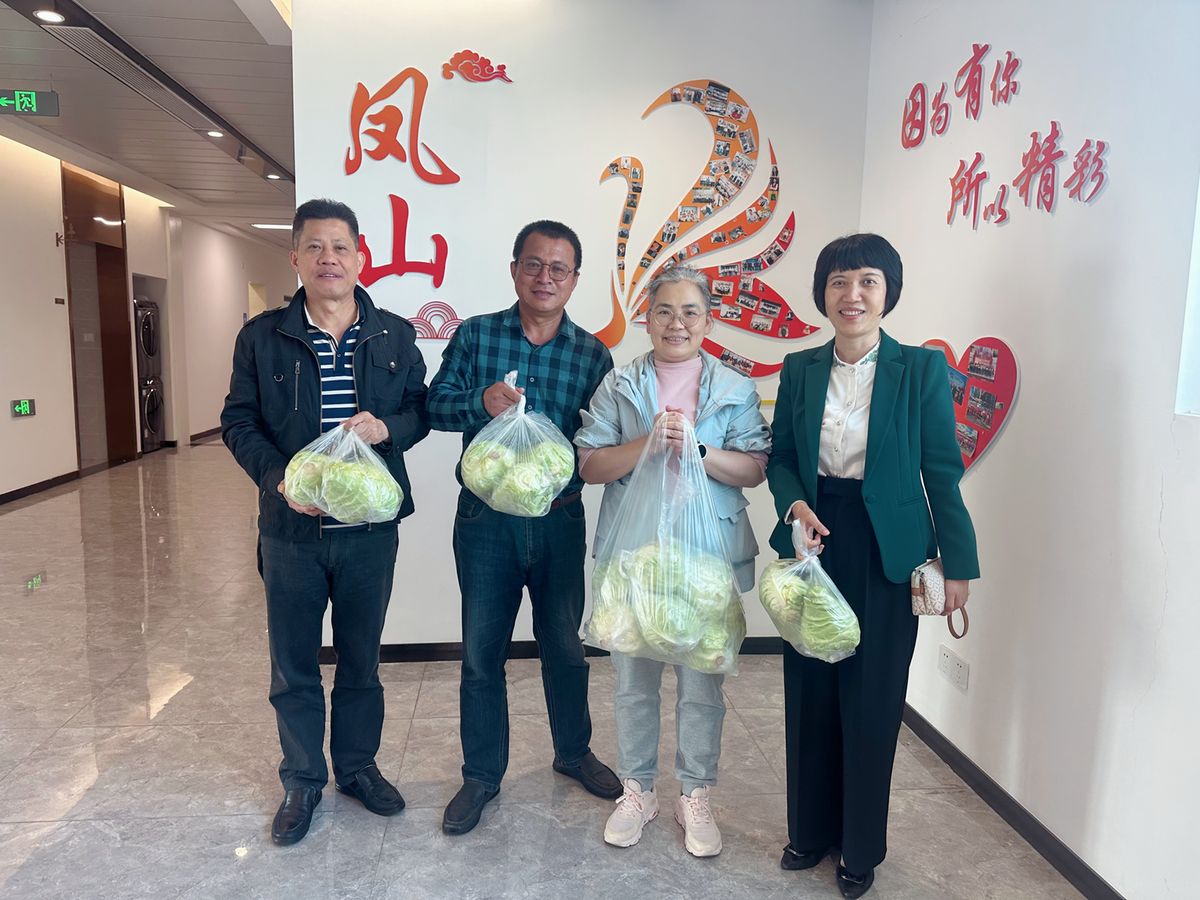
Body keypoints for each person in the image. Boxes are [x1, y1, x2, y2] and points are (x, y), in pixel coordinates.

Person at [766, 234, 979, 898]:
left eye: (866, 281)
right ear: (822, 293)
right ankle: (809, 832)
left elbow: (941, 471)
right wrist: (794, 505)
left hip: (888, 548)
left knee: (872, 698)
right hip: (815, 535)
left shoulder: (921, 369)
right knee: (810, 689)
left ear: (888, 292)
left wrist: (957, 562)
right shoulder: (799, 367)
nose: (851, 294)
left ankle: (859, 849)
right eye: (838, 281)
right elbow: (781, 458)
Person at [221, 198, 429, 846]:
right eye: (314, 246)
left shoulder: (394, 335)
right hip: (291, 535)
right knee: (294, 665)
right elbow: (238, 421)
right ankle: (303, 780)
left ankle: (358, 769)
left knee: (362, 661)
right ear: (296, 257)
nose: (328, 258)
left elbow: (420, 411)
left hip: (369, 535)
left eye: (340, 246)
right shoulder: (263, 337)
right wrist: (277, 478)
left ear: (360, 257)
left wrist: (387, 428)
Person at [426, 220, 621, 835]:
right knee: (482, 652)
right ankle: (481, 774)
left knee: (565, 646)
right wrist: (477, 403)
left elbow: (601, 440)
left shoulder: (592, 355)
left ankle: (573, 752)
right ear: (514, 270)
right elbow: (433, 405)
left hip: (560, 520)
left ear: (574, 279)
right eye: (533, 264)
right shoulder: (476, 334)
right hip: (485, 522)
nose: (544, 278)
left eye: (558, 268)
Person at [574, 266, 771, 856]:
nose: (676, 323)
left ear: (708, 321)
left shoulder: (733, 388)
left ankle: (695, 793)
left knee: (702, 685)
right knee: (634, 683)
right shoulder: (620, 384)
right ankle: (637, 790)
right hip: (635, 559)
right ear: (647, 318)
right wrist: (646, 445)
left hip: (707, 559)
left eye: (690, 311)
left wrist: (702, 451)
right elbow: (590, 465)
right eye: (664, 310)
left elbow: (755, 468)